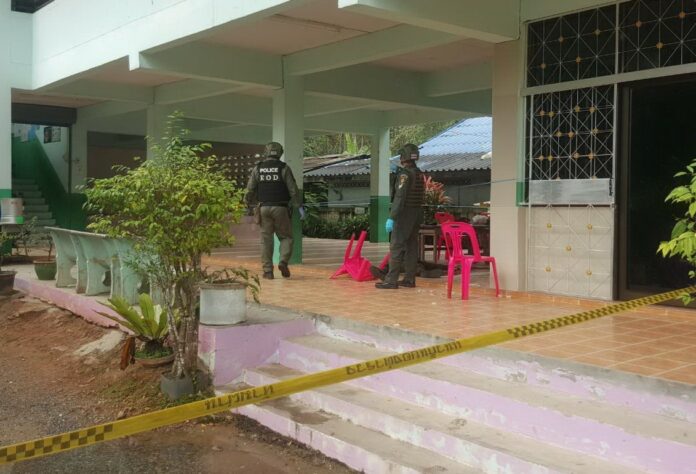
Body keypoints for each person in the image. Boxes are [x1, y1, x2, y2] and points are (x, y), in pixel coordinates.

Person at [246, 142, 304, 280]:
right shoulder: (284, 168)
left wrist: (248, 205)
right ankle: (283, 261)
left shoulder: (258, 168)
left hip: (263, 208)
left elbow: (250, 189)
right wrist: (299, 207)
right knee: (286, 237)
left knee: (266, 240)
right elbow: (293, 190)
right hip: (281, 208)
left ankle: (267, 272)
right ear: (280, 152)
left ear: (266, 152)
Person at [376, 143, 425, 289]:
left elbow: (400, 197)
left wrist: (392, 217)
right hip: (417, 213)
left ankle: (391, 280)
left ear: (403, 157)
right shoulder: (420, 173)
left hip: (404, 214)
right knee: (411, 246)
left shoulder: (404, 174)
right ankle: (409, 279)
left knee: (396, 246)